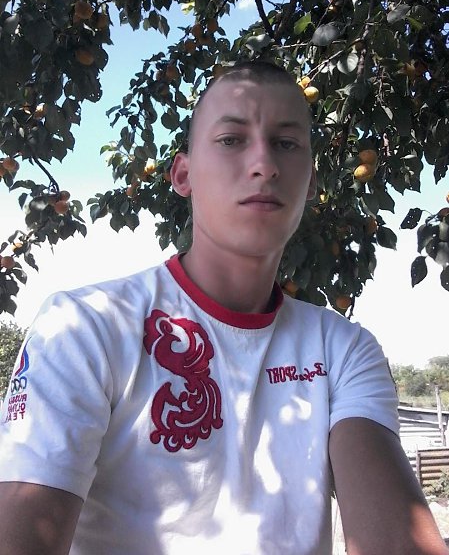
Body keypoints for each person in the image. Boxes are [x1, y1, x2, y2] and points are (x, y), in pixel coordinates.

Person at [0, 60, 447, 555]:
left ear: (311, 182)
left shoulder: (343, 350)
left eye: (287, 143)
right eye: (232, 139)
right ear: (183, 174)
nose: (265, 164)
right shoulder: (84, 327)